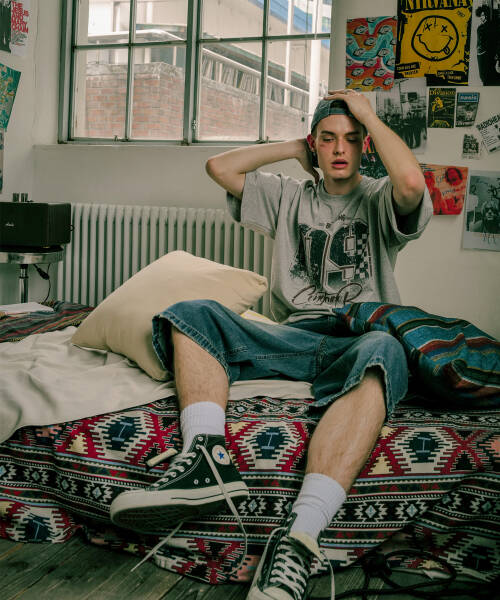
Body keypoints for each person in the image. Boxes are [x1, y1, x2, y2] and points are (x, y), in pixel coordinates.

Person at [110, 89, 432, 600]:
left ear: (364, 146)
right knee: (191, 313)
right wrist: (292, 148)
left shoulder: (378, 197)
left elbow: (411, 183)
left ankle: (299, 537)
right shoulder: (288, 196)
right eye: (328, 139)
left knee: (387, 350)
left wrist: (367, 115)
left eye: (351, 139)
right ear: (315, 144)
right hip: (289, 337)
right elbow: (219, 167)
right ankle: (206, 459)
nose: (339, 149)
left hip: (355, 339)